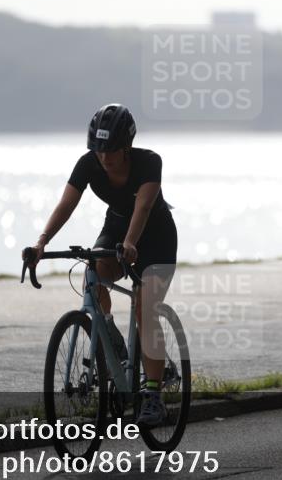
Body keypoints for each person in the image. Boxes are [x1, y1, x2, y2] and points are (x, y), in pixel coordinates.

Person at [27, 104, 178, 425]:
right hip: (117, 228)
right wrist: (42, 243)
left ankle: (153, 395)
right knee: (92, 276)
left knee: (145, 308)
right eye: (97, 149)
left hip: (156, 237)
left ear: (126, 146)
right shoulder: (88, 164)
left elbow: (145, 205)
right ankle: (113, 344)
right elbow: (66, 204)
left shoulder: (149, 162)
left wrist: (131, 244)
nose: (104, 156)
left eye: (110, 149)